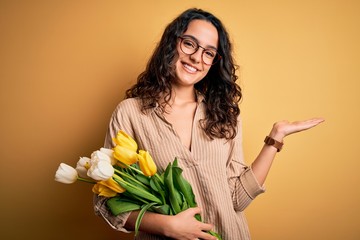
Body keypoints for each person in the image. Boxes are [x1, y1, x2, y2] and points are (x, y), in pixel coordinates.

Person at [94, 8, 324, 240]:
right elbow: (107, 201)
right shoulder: (131, 113)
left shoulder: (224, 115)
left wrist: (275, 138)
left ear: (214, 62)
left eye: (209, 53)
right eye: (189, 44)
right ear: (171, 44)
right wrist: (166, 226)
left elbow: (237, 198)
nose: (197, 57)